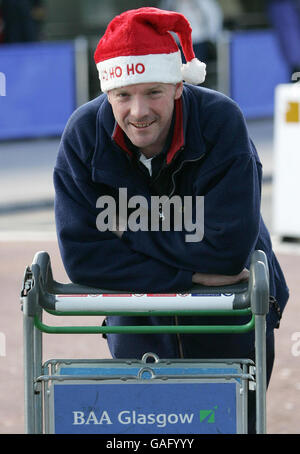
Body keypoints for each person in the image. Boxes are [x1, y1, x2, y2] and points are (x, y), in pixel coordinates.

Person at [54, 7, 289, 433]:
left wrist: (128, 233)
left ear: (179, 86)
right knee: (150, 428)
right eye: (124, 95)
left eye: (153, 92)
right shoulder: (84, 135)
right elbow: (83, 258)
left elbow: (228, 250)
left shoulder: (221, 121)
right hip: (136, 309)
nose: (139, 111)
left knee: (227, 422)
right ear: (107, 93)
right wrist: (188, 272)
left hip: (231, 309)